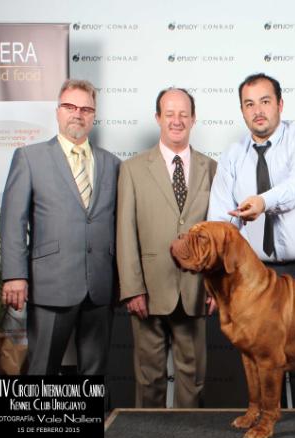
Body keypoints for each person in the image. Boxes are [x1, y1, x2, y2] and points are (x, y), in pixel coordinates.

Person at [208, 73, 295, 408]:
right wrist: (214, 280)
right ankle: (267, 433)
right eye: (249, 104)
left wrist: (264, 201)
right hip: (257, 273)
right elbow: (220, 221)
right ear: (242, 110)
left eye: (265, 101)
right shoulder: (233, 156)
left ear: (280, 104)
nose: (258, 110)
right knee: (260, 357)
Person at [0, 79, 121, 376]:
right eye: (70, 106)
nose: (77, 114)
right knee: (42, 369)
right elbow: (13, 220)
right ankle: (38, 424)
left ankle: (88, 424)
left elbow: (120, 224)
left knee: (94, 373)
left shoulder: (113, 164)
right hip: (50, 284)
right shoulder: (30, 158)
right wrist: (15, 275)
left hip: (100, 287)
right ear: (58, 111)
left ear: (94, 115)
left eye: (85, 108)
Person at [116, 88, 217, 407]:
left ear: (194, 118)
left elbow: (218, 236)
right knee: (149, 379)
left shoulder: (211, 168)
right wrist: (132, 289)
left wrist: (215, 286)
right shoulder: (132, 170)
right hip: (148, 288)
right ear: (157, 118)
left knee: (194, 378)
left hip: (195, 289)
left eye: (184, 114)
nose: (177, 120)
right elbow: (125, 233)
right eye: (169, 114)